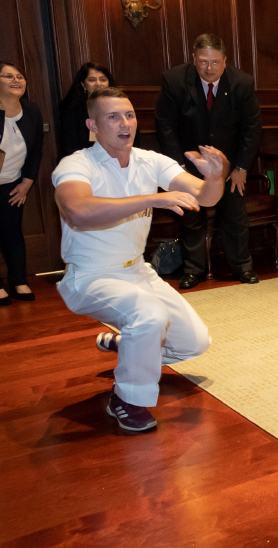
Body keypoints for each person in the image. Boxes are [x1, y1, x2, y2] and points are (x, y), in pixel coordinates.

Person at [52, 88, 224, 430]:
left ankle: (126, 343)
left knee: (195, 342)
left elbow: (205, 197)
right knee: (150, 315)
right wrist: (152, 198)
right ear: (93, 125)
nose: (125, 123)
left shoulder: (151, 160)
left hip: (138, 272)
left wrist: (215, 175)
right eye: (113, 117)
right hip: (91, 276)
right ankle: (127, 400)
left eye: (129, 115)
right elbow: (78, 211)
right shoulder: (75, 164)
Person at [155, 33, 262, 289]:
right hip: (189, 166)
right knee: (191, 218)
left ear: (225, 61)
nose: (209, 68)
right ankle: (194, 270)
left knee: (235, 218)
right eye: (203, 62)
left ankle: (242, 267)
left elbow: (252, 128)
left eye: (215, 62)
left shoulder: (242, 83)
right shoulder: (174, 80)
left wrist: (240, 168)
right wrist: (176, 167)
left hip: (229, 166)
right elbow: (165, 125)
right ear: (194, 59)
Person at [0, 61, 43, 305]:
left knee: (13, 233)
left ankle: (19, 280)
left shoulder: (31, 110)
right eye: (8, 76)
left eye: (20, 76)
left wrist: (27, 182)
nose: (17, 80)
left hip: (12, 183)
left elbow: (37, 149)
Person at [57, 63, 134, 158]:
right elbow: (69, 146)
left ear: (109, 83)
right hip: (84, 162)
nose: (98, 84)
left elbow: (132, 140)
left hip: (118, 160)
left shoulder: (122, 106)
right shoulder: (71, 111)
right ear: (83, 84)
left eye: (103, 79)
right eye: (92, 80)